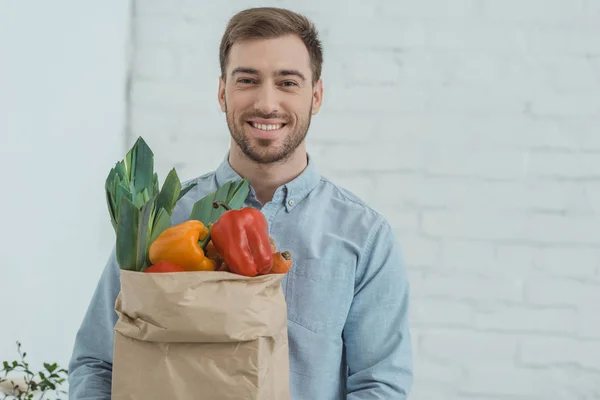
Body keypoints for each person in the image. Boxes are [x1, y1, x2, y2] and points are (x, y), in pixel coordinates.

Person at [68, 6, 413, 399]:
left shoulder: (364, 236)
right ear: (222, 92)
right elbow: (96, 362)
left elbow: (379, 385)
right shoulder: (159, 219)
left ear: (315, 96)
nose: (267, 103)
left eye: (287, 82)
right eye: (247, 80)